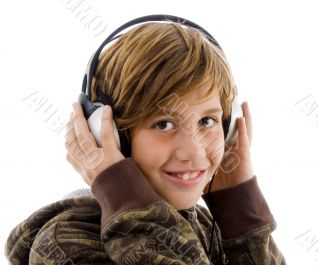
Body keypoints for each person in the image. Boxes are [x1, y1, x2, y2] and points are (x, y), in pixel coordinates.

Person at [5, 16, 287, 264]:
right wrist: (120, 189)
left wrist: (239, 208)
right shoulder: (65, 244)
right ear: (110, 135)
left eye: (207, 121)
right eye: (164, 124)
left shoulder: (203, 225)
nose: (194, 151)